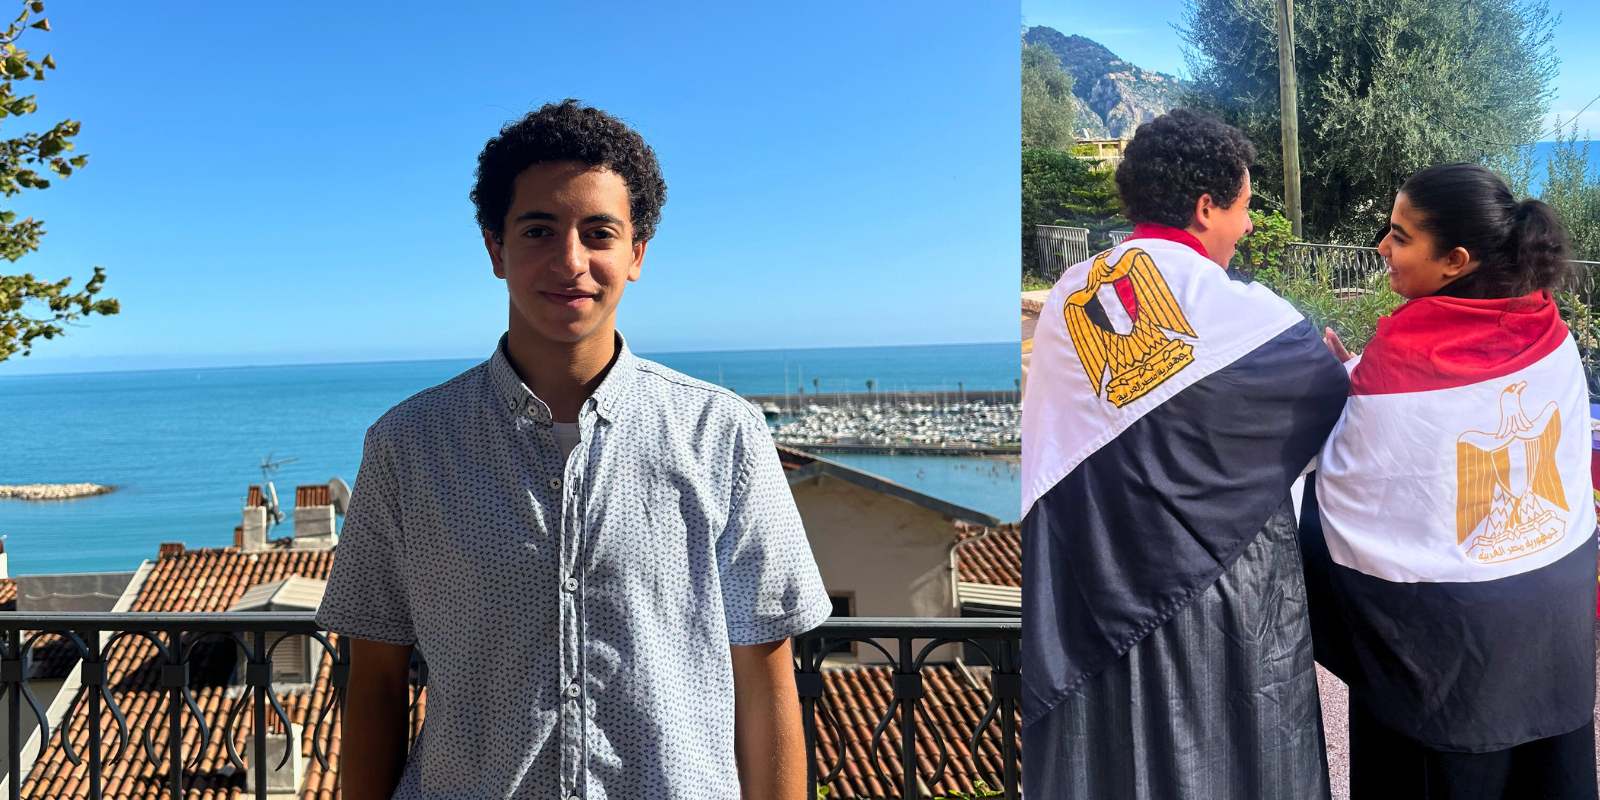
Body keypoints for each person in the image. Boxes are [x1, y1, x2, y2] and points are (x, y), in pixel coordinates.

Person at [315, 99, 833, 800]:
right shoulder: (408, 446)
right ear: (496, 249)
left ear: (637, 254)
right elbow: (374, 680)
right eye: (538, 229)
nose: (570, 261)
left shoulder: (724, 435)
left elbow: (766, 684)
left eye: (599, 233)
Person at [1021, 108, 1349, 799]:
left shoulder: (1066, 297)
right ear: (1206, 208)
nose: (1250, 224)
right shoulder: (1245, 312)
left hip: (1092, 584)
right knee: (1237, 758)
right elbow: (1323, 400)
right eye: (1245, 207)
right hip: (1223, 595)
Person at [1305, 163, 1598, 800]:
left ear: (1456, 260)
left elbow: (1356, 482)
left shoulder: (1406, 352)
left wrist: (1342, 396)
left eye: (1400, 236)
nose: (1383, 247)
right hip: (1550, 614)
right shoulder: (1549, 331)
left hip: (1449, 654)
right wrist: (1358, 383)